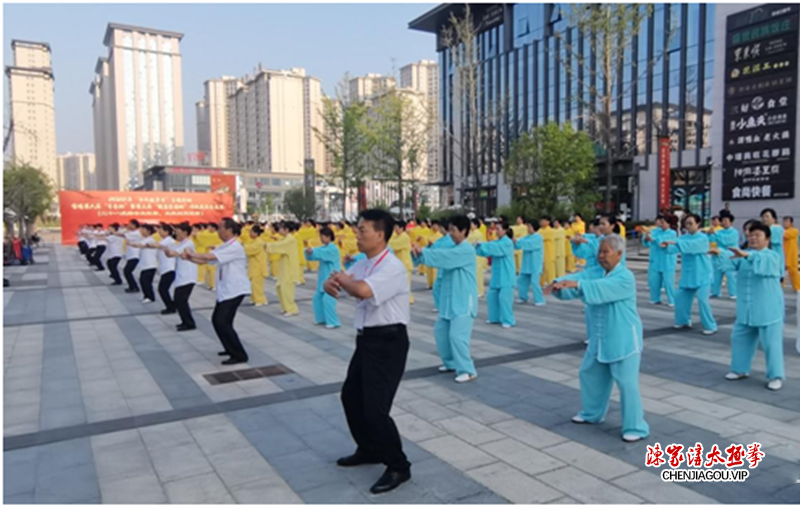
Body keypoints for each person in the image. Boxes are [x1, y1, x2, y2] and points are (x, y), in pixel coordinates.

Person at [324, 209, 412, 495]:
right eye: (357, 229)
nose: (357, 235)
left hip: (388, 342)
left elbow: (361, 290)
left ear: (380, 234)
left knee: (375, 409)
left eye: (362, 230)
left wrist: (341, 279)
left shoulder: (392, 267)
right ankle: (370, 448)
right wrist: (331, 282)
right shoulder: (365, 263)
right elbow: (344, 281)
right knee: (350, 396)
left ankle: (399, 465)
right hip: (366, 340)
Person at [546, 234, 649, 443]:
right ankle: (592, 413)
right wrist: (559, 285)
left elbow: (599, 289)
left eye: (605, 252)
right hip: (600, 336)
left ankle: (636, 427)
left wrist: (574, 284)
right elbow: (581, 280)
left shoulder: (625, 277)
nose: (601, 256)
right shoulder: (595, 272)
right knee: (590, 373)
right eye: (599, 252)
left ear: (619, 254)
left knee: (627, 383)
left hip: (623, 339)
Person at [716, 222, 785, 391]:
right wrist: (719, 253)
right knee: (739, 338)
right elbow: (731, 264)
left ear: (767, 239)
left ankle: (776, 376)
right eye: (750, 235)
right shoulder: (746, 255)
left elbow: (763, 264)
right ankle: (740, 369)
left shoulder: (772, 256)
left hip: (768, 309)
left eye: (757, 235)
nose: (752, 238)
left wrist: (747, 255)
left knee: (771, 343)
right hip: (746, 308)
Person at [413, 215, 477, 383]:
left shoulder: (466, 249)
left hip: (463, 301)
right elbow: (440, 254)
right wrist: (421, 253)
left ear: (463, 231)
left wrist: (425, 252)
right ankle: (450, 363)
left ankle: (467, 370)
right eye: (449, 230)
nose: (450, 233)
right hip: (450, 301)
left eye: (453, 230)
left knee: (457, 336)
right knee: (441, 332)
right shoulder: (453, 246)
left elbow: (445, 258)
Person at [182, 218, 251, 364]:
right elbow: (206, 260)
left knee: (221, 321)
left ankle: (239, 355)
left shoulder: (235, 247)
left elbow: (209, 256)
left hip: (235, 290)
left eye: (220, 228)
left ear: (230, 231)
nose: (218, 231)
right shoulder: (224, 246)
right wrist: (189, 258)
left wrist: (192, 253)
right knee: (221, 321)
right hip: (226, 290)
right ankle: (229, 348)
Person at [661, 214, 717, 335]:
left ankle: (710, 325)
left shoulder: (703, 238)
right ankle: (683, 321)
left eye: (691, 223)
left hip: (703, 274)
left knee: (702, 300)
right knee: (680, 297)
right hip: (688, 274)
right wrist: (666, 246)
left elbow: (692, 246)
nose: (688, 226)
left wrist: (675, 243)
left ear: (698, 224)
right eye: (687, 223)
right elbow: (673, 248)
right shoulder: (683, 238)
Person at [476, 219, 516, 328]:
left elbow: (494, 249)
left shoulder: (507, 242)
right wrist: (478, 247)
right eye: (495, 229)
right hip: (497, 275)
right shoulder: (496, 241)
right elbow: (487, 250)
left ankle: (508, 320)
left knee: (504, 299)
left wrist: (483, 245)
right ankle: (494, 317)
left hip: (506, 275)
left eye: (498, 229)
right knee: (491, 296)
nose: (496, 231)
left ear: (505, 230)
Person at [161, 222, 197, 331]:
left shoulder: (188, 243)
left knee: (181, 300)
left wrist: (167, 251)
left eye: (178, 232)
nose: (176, 234)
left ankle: (189, 323)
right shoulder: (181, 243)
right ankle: (185, 321)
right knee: (179, 300)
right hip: (182, 276)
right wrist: (167, 252)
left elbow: (172, 254)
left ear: (185, 232)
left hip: (188, 277)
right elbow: (171, 254)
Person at [306, 226, 341, 328]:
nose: (321, 239)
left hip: (332, 278)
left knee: (328, 299)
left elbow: (321, 253)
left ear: (328, 237)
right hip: (323, 278)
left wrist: (313, 251)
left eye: (322, 236)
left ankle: (333, 322)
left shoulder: (333, 249)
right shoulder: (324, 248)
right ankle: (321, 319)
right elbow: (315, 254)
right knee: (317, 298)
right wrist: (309, 252)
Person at [641, 215, 677, 306]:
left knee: (668, 282)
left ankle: (672, 300)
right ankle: (655, 298)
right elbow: (646, 242)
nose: (661, 224)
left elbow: (663, 243)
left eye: (663, 222)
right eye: (661, 222)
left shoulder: (672, 233)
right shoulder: (655, 231)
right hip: (655, 259)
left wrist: (654, 239)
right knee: (654, 281)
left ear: (668, 223)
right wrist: (646, 238)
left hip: (667, 261)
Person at [266, 222, 300, 316]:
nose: (279, 230)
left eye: (281, 229)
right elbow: (279, 244)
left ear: (286, 230)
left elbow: (279, 246)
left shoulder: (290, 239)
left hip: (290, 268)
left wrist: (266, 246)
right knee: (279, 287)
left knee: (287, 288)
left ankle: (292, 309)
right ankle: (285, 307)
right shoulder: (285, 238)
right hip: (284, 268)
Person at [708, 211, 739, 299]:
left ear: (731, 222)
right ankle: (715, 291)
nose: (724, 222)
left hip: (730, 256)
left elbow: (727, 242)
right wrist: (709, 234)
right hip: (718, 256)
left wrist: (715, 234)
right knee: (716, 275)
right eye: (723, 220)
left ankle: (733, 292)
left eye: (726, 220)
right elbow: (711, 240)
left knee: (731, 275)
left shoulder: (734, 232)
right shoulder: (719, 232)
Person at [516, 218, 545, 306]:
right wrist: (514, 241)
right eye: (527, 226)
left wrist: (517, 241)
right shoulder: (526, 237)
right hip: (526, 264)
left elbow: (529, 245)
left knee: (535, 282)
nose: (528, 228)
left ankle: (540, 300)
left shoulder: (538, 237)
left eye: (529, 227)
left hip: (535, 264)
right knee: (521, 280)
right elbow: (519, 243)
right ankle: (523, 297)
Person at [129, 224, 158, 304]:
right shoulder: (145, 239)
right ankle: (147, 296)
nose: (141, 232)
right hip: (145, 265)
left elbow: (140, 245)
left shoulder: (150, 240)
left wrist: (132, 244)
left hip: (150, 265)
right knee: (142, 280)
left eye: (143, 230)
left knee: (146, 281)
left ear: (149, 231)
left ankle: (150, 297)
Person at [429, 220, 455, 312]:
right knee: (437, 287)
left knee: (447, 290)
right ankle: (439, 306)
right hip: (441, 269)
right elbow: (434, 248)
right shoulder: (441, 239)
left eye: (441, 228)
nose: (440, 230)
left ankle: (446, 306)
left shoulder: (451, 240)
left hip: (448, 267)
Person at [388, 220, 415, 305]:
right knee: (399, 283)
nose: (395, 229)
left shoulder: (404, 237)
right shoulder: (397, 236)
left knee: (406, 283)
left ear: (402, 228)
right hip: (399, 263)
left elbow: (392, 245)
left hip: (405, 263)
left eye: (397, 228)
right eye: (395, 228)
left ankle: (408, 299)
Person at [244, 225, 268, 307]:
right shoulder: (253, 241)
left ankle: (260, 300)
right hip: (253, 266)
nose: (250, 234)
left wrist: (242, 247)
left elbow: (250, 250)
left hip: (258, 266)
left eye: (251, 232)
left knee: (256, 284)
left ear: (257, 233)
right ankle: (255, 298)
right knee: (253, 284)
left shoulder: (259, 242)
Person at [156, 223, 177, 315]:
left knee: (162, 289)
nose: (159, 232)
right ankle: (171, 305)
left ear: (167, 232)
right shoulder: (164, 240)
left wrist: (142, 245)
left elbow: (156, 245)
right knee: (163, 289)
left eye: (161, 230)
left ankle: (171, 307)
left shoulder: (169, 240)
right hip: (165, 268)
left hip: (170, 268)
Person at [760, 208, 785, 281]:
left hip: (775, 260)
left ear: (774, 219)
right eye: (763, 217)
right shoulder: (762, 229)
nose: (764, 219)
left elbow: (773, 241)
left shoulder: (777, 229)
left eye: (767, 217)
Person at [120, 220, 143, 293]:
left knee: (127, 271)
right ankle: (132, 286)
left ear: (134, 225)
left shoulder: (136, 233)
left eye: (130, 224)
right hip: (130, 256)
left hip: (135, 255)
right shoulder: (131, 233)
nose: (128, 225)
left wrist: (112, 232)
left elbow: (122, 235)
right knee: (127, 272)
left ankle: (134, 287)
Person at [468, 218, 487, 298]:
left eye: (472, 224)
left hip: (477, 256)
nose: (470, 225)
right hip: (471, 255)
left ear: (476, 225)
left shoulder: (478, 234)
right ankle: (474, 290)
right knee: (472, 274)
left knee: (478, 274)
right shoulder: (470, 233)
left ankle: (480, 291)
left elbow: (476, 244)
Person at [784, 216, 800, 291]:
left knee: (793, 272)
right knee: (781, 273)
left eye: (787, 221)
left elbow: (785, 234)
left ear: (791, 223)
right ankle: (781, 287)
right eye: (784, 221)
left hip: (791, 255)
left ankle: (798, 288)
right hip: (784, 255)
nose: (785, 223)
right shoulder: (783, 231)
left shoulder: (794, 231)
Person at [204, 223, 222, 290]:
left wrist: (214, 246)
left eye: (211, 227)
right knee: (208, 270)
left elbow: (221, 244)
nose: (209, 228)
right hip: (207, 253)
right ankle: (209, 284)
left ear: (214, 228)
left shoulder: (218, 235)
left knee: (212, 271)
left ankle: (214, 285)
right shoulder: (205, 234)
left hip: (214, 254)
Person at [539, 217, 556, 285]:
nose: (542, 222)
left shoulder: (550, 230)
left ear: (548, 222)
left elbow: (540, 237)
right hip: (541, 253)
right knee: (542, 269)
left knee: (549, 270)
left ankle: (552, 284)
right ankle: (540, 283)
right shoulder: (540, 230)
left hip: (549, 253)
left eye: (543, 220)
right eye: (541, 220)